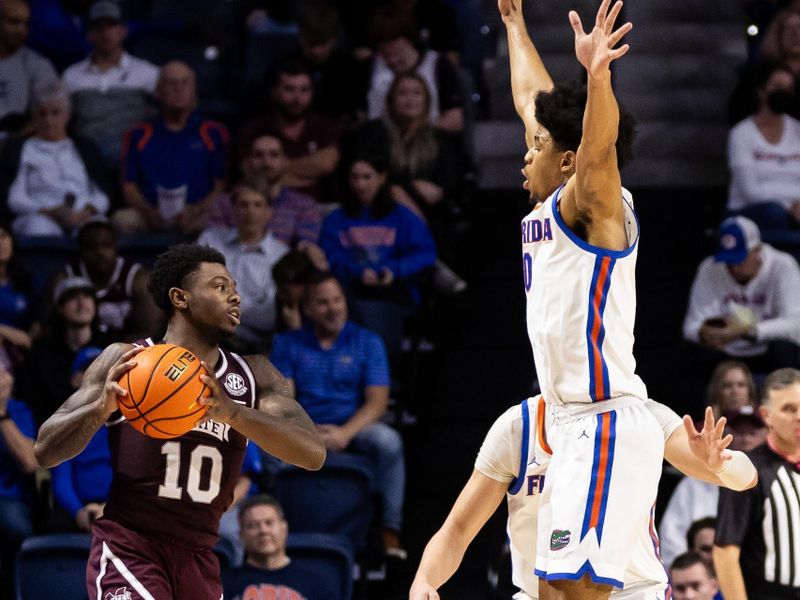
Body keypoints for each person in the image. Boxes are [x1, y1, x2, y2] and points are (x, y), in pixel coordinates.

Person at [33, 244, 326, 600]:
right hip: (132, 546)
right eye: (220, 287)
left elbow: (313, 454)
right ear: (180, 297)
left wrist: (233, 413)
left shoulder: (255, 375)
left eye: (234, 287)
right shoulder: (126, 360)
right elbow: (45, 451)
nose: (235, 296)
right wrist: (98, 409)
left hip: (199, 556)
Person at [499, 0, 659, 596]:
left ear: (566, 159)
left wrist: (598, 79)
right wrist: (514, 25)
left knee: (574, 594)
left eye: (537, 146)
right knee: (551, 590)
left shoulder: (593, 203)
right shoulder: (548, 203)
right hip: (567, 427)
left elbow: (598, 148)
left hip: (605, 420)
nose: (526, 150)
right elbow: (530, 99)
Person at [408, 396, 756, 600]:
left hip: (633, 591)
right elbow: (457, 530)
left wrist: (719, 465)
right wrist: (424, 580)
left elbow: (746, 477)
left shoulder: (642, 415)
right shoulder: (518, 427)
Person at [270, 271, 406, 557]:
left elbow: (378, 403)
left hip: (353, 427)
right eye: (322, 302)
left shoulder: (368, 342)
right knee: (266, 449)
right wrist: (306, 432)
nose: (333, 308)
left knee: (389, 442)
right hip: (306, 427)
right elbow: (285, 401)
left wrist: (344, 434)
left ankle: (389, 531)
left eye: (337, 300)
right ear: (307, 309)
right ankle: (277, 529)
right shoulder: (287, 344)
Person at [682, 216, 800, 403]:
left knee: (786, 350)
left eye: (741, 259)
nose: (734, 267)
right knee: (692, 354)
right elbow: (690, 327)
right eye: (729, 261)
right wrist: (704, 333)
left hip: (766, 347)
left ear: (757, 250)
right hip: (726, 349)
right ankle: (698, 424)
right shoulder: (710, 267)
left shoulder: (782, 266)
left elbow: (795, 324)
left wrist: (749, 331)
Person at [715, 367, 800, 599]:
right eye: (788, 409)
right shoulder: (747, 471)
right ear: (766, 415)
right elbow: (725, 553)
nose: (799, 416)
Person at [119, 62, 228, 234]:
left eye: (185, 83)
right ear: (158, 91)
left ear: (194, 91)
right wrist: (150, 212)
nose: (179, 89)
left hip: (197, 211)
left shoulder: (213, 132)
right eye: (171, 83)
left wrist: (195, 210)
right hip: (150, 211)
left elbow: (220, 186)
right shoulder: (138, 134)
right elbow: (129, 186)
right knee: (122, 220)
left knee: (220, 219)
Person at [659, 404, 767, 571]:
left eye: (752, 432)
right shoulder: (692, 484)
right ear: (725, 433)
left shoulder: (773, 477)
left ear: (766, 434)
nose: (746, 439)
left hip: (754, 573)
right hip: (701, 580)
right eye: (739, 432)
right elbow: (671, 538)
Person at [4, 82, 112, 236]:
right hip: (40, 216)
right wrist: (49, 212)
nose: (48, 120)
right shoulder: (22, 148)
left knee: (98, 231)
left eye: (55, 113)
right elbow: (14, 198)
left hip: (82, 215)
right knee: (38, 228)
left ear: (67, 115)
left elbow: (102, 193)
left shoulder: (84, 146)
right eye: (42, 113)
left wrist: (86, 211)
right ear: (34, 117)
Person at [62, 0, 159, 166]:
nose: (105, 32)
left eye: (112, 25)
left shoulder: (147, 72)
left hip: (134, 161)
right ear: (89, 34)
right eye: (98, 26)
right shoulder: (72, 76)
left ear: (124, 30)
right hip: (86, 162)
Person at [209, 132, 326, 270]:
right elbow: (216, 245)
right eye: (258, 155)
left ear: (285, 161)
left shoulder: (304, 205)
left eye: (273, 155)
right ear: (247, 162)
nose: (266, 162)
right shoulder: (224, 203)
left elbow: (306, 246)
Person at [198, 184, 290, 353]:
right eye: (244, 205)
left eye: (257, 205)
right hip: (206, 331)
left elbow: (269, 315)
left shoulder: (281, 256)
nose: (250, 212)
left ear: (269, 212)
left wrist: (226, 315)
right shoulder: (210, 241)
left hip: (252, 342)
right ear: (233, 210)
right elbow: (195, 285)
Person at [239, 59, 341, 203]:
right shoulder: (254, 128)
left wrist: (276, 170)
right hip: (265, 209)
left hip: (319, 209)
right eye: (289, 89)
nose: (297, 98)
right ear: (275, 92)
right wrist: (309, 175)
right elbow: (250, 174)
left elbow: (325, 164)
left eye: (304, 90)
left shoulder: (325, 126)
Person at [726, 62, 800, 240]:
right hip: (753, 210)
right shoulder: (742, 134)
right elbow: (750, 191)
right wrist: (790, 206)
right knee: (774, 213)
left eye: (788, 88)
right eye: (777, 86)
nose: (784, 92)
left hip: (796, 211)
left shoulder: (798, 130)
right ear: (761, 90)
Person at [22, 276, 109, 425]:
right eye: (72, 298)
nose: (82, 303)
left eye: (87, 297)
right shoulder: (42, 353)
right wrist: (69, 386)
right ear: (59, 308)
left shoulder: (111, 345)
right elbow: (34, 403)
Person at [59, 218, 162, 341]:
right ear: (81, 250)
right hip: (79, 351)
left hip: (127, 352)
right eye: (92, 246)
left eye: (106, 245)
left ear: (115, 248)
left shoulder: (137, 279)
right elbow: (45, 328)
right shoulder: (66, 278)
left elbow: (150, 333)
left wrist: (112, 353)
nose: (100, 252)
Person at [366, 6, 464, 132]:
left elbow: (456, 117)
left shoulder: (439, 65)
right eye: (385, 54)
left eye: (397, 53)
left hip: (430, 142)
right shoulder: (369, 67)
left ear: (409, 40)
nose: (391, 60)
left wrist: (417, 133)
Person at [222, 495, 340, 600]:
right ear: (241, 535)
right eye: (253, 526)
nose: (263, 531)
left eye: (269, 523)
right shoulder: (223, 585)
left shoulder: (316, 583)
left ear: (284, 528)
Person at [50, 346, 111, 532]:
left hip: (116, 505)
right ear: (75, 380)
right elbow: (61, 479)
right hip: (76, 506)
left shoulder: (127, 423)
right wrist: (78, 511)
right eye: (90, 370)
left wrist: (107, 508)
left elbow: (131, 475)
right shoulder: (64, 424)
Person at [0, 364, 36, 593]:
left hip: (8, 498)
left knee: (16, 526)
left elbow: (30, 463)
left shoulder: (19, 410)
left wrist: (1, 413)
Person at [0, 0, 58, 139]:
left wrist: (10, 146)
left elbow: (46, 117)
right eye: (14, 22)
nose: (22, 30)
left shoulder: (38, 65)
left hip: (17, 146)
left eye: (25, 23)